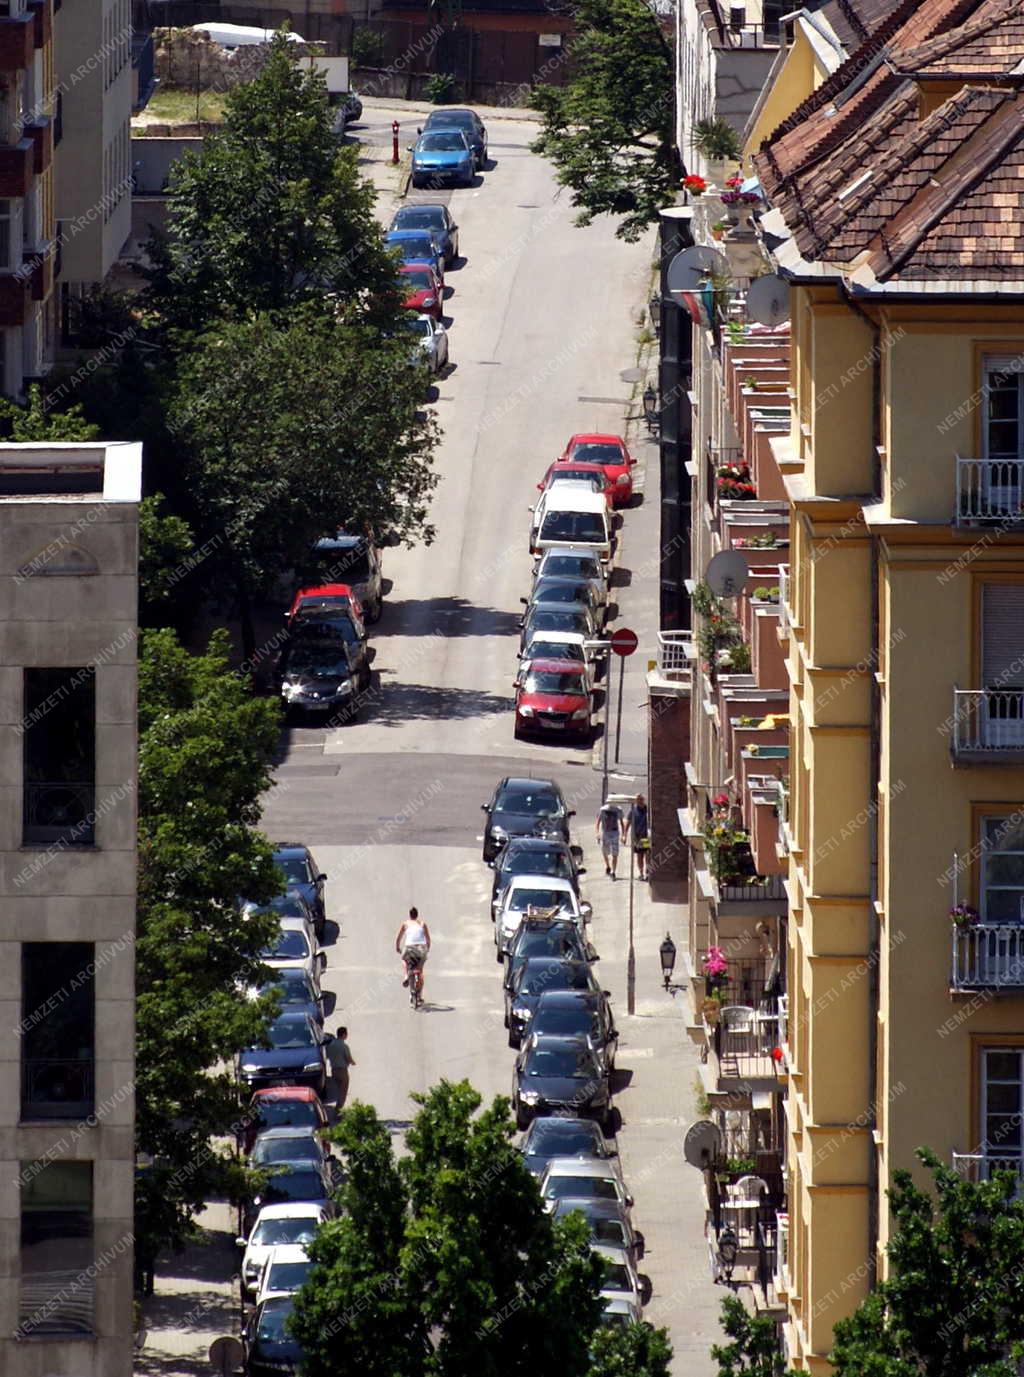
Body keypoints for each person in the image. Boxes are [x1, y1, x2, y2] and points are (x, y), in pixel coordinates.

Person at [395, 906, 431, 996]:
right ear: (417, 915)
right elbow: (428, 940)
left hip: (409, 948)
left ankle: (406, 975)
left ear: (409, 915)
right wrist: (427, 949)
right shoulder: (422, 924)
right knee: (420, 970)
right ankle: (420, 994)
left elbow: (398, 938)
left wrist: (397, 947)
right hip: (421, 949)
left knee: (404, 959)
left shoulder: (405, 924)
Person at [325, 1025, 356, 1111]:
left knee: (338, 1090)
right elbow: (348, 1058)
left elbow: (327, 1056)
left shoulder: (330, 1045)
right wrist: (353, 1063)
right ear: (343, 1035)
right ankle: (338, 1110)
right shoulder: (344, 1046)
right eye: (346, 1034)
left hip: (334, 1070)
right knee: (343, 1092)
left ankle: (338, 1108)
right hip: (342, 1071)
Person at [596, 799, 625, 879]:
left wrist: (623, 835)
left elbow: (622, 823)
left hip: (615, 833)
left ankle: (613, 871)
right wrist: (597, 833)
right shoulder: (603, 810)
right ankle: (608, 866)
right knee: (605, 851)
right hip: (606, 833)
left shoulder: (618, 810)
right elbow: (598, 822)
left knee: (615, 853)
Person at [625, 793, 651, 879]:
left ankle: (647, 873)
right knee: (640, 856)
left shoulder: (648, 810)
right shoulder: (633, 811)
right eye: (638, 799)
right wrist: (624, 834)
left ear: (643, 800)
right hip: (637, 837)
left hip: (646, 837)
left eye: (641, 799)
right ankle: (641, 873)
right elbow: (628, 824)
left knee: (647, 855)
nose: (640, 801)